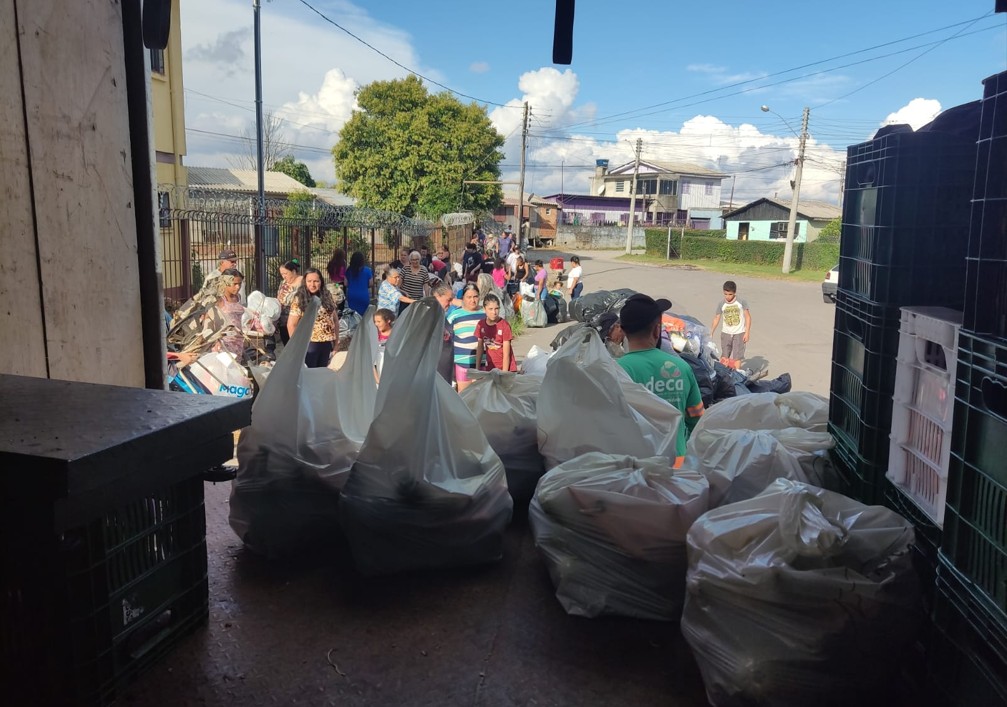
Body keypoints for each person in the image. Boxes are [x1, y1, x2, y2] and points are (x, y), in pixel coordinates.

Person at [617, 294, 705, 466]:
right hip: (678, 465)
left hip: (635, 468)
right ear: (657, 330)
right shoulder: (681, 367)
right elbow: (697, 419)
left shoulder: (616, 371)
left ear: (622, 331)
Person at [287, 268, 339, 368]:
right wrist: (296, 347)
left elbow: (335, 321)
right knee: (309, 374)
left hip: (326, 344)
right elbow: (291, 324)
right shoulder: (299, 299)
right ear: (305, 282)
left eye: (316, 281)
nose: (312, 284)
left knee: (322, 374)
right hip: (309, 345)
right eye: (309, 281)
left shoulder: (327, 296)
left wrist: (336, 344)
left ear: (321, 282)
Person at [446, 283, 484, 392]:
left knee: (481, 398)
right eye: (469, 297)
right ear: (463, 298)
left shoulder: (485, 313)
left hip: (482, 364)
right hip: (462, 363)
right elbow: (447, 338)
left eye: (475, 296)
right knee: (464, 398)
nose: (472, 300)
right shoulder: (455, 315)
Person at [710, 280, 751, 370]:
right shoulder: (721, 304)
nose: (728, 297)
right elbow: (717, 318)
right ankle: (722, 373)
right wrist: (711, 331)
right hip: (726, 333)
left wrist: (747, 332)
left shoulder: (741, 302)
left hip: (739, 333)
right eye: (725, 294)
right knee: (725, 356)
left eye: (730, 294)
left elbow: (747, 317)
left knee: (737, 357)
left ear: (735, 293)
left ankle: (737, 375)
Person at [207, 268, 246, 360]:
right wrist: (215, 341)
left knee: (236, 371)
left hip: (238, 341)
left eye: (240, 284)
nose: (238, 287)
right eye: (234, 284)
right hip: (223, 343)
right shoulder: (219, 300)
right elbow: (209, 321)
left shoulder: (238, 297)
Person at [476, 294, 516, 372]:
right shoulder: (481, 325)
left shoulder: (504, 325)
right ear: (484, 309)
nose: (494, 312)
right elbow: (480, 348)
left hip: (506, 368)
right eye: (490, 309)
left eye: (496, 309)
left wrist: (504, 373)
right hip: (491, 368)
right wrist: (477, 369)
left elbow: (506, 354)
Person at [432, 282, 457, 386]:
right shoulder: (429, 316)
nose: (450, 303)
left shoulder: (441, 315)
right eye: (448, 300)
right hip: (435, 372)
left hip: (446, 369)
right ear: (438, 296)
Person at [275, 259, 302, 345]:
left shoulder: (303, 283)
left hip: (298, 321)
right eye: (282, 274)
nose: (283, 276)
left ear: (293, 271)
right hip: (283, 321)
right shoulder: (284, 283)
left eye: (286, 273)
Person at [344, 251, 373, 316]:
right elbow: (371, 284)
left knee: (353, 315)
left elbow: (345, 284)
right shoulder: (368, 270)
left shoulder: (349, 270)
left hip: (352, 296)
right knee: (363, 316)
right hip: (363, 295)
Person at [373, 307, 395, 383]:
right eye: (375, 321)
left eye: (379, 321)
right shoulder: (374, 335)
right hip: (378, 373)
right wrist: (377, 379)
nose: (376, 324)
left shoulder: (395, 334)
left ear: (388, 321)